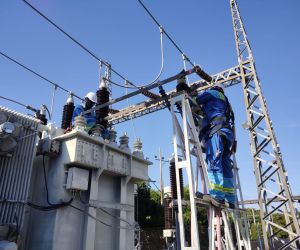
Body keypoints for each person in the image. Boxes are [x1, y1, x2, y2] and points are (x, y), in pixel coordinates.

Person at [191, 85, 237, 208]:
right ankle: (230, 199)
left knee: (214, 161)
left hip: (217, 131)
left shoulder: (212, 93)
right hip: (227, 135)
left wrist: (193, 94)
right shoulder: (226, 102)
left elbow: (195, 100)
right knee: (225, 165)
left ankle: (217, 196)